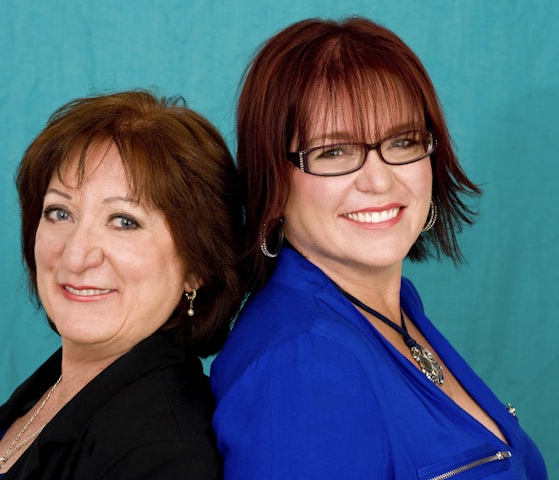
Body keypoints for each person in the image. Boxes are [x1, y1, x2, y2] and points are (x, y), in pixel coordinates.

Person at [210, 17, 547, 479]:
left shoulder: (395, 305)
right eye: (333, 151)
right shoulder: (302, 362)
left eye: (403, 141)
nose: (380, 181)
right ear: (272, 178)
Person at [0, 89, 243, 479]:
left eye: (125, 222)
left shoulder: (167, 454)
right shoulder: (53, 389)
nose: (75, 256)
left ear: (196, 265)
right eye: (60, 212)